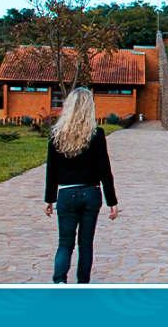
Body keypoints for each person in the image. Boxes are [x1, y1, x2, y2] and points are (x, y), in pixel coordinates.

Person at [43, 87, 119, 284]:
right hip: (91, 193)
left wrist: (49, 198)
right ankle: (82, 284)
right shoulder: (96, 135)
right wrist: (112, 201)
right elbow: (104, 169)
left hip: (66, 194)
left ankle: (59, 281)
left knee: (65, 243)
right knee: (85, 245)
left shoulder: (57, 135)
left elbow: (51, 170)